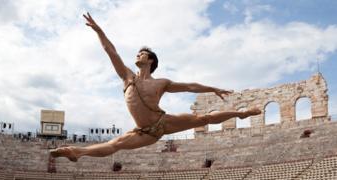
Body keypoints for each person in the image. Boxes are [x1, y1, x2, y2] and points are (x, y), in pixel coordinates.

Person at [50, 12, 261, 162]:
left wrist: (212, 88)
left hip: (164, 122)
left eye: (142, 54)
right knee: (114, 145)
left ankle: (241, 114)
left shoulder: (162, 83)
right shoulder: (127, 77)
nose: (137, 56)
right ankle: (77, 152)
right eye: (137, 54)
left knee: (202, 119)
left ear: (150, 61)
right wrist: (99, 31)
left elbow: (189, 86)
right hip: (143, 132)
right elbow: (111, 52)